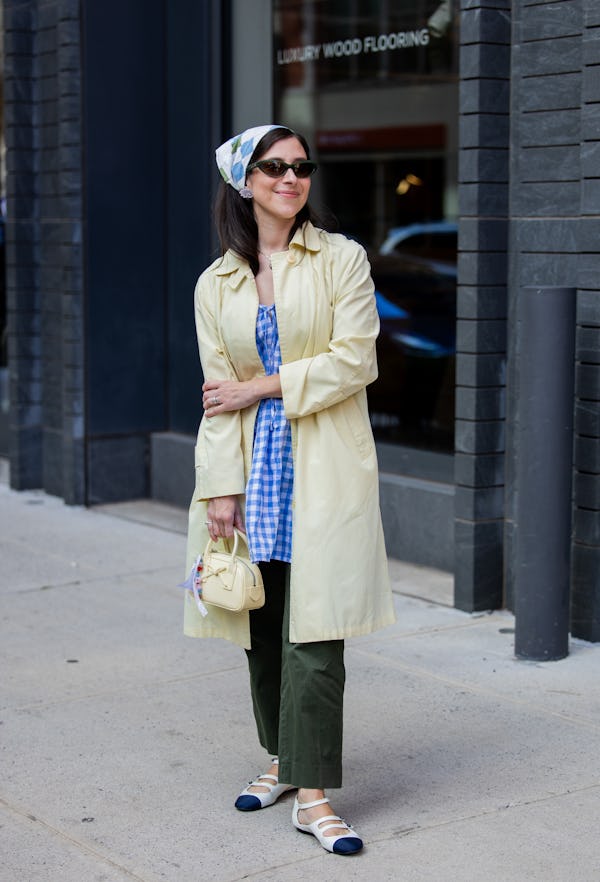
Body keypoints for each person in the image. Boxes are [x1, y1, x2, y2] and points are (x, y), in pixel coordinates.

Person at [184, 124, 396, 856]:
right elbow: (216, 399)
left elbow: (355, 360)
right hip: (251, 471)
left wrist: (262, 387)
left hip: (324, 465)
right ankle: (280, 758)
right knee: (261, 625)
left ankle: (314, 796)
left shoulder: (341, 260)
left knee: (317, 633)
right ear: (244, 182)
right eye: (274, 167)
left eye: (302, 166)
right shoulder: (216, 283)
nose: (290, 178)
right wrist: (219, 488)